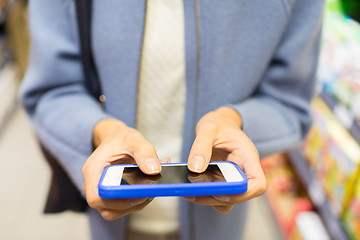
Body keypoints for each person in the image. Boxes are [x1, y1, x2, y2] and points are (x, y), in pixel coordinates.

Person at [20, 0, 325, 239]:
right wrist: (102, 131)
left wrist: (235, 121)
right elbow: (53, 89)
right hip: (112, 228)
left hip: (219, 226)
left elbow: (288, 100)